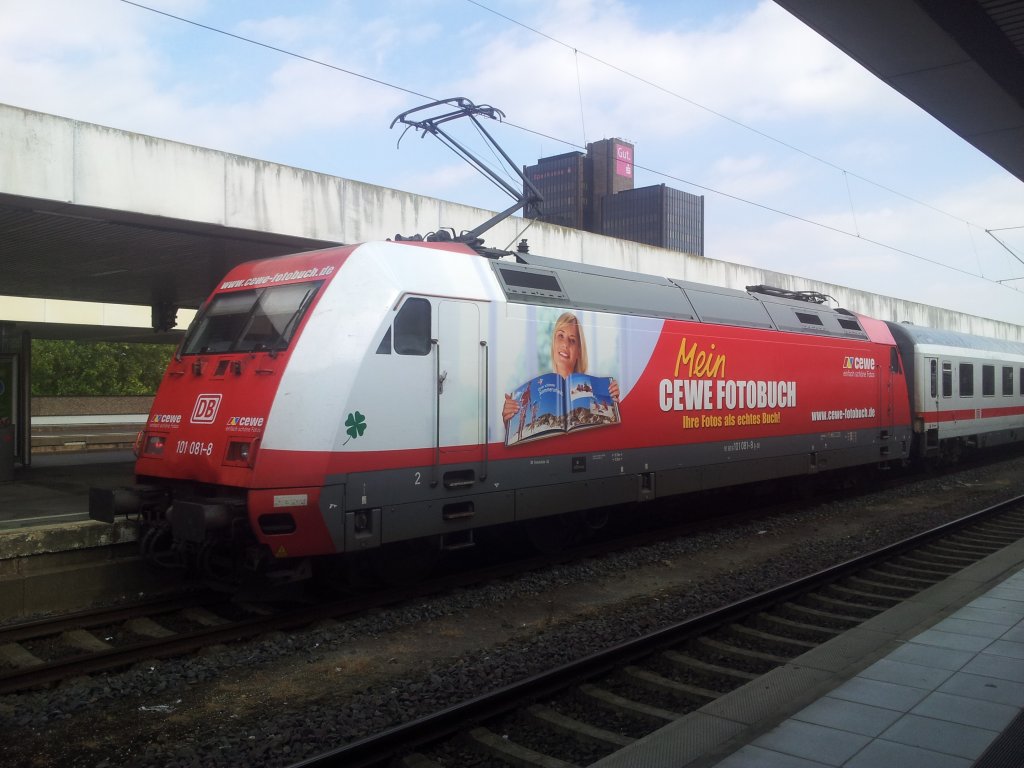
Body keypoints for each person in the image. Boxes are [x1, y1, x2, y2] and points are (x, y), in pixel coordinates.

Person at [503, 312, 618, 424]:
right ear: (553, 343)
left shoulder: (595, 388)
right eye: (560, 336)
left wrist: (615, 405)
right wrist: (510, 419)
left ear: (579, 351)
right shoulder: (536, 388)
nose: (565, 344)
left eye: (572, 340)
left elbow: (609, 428)